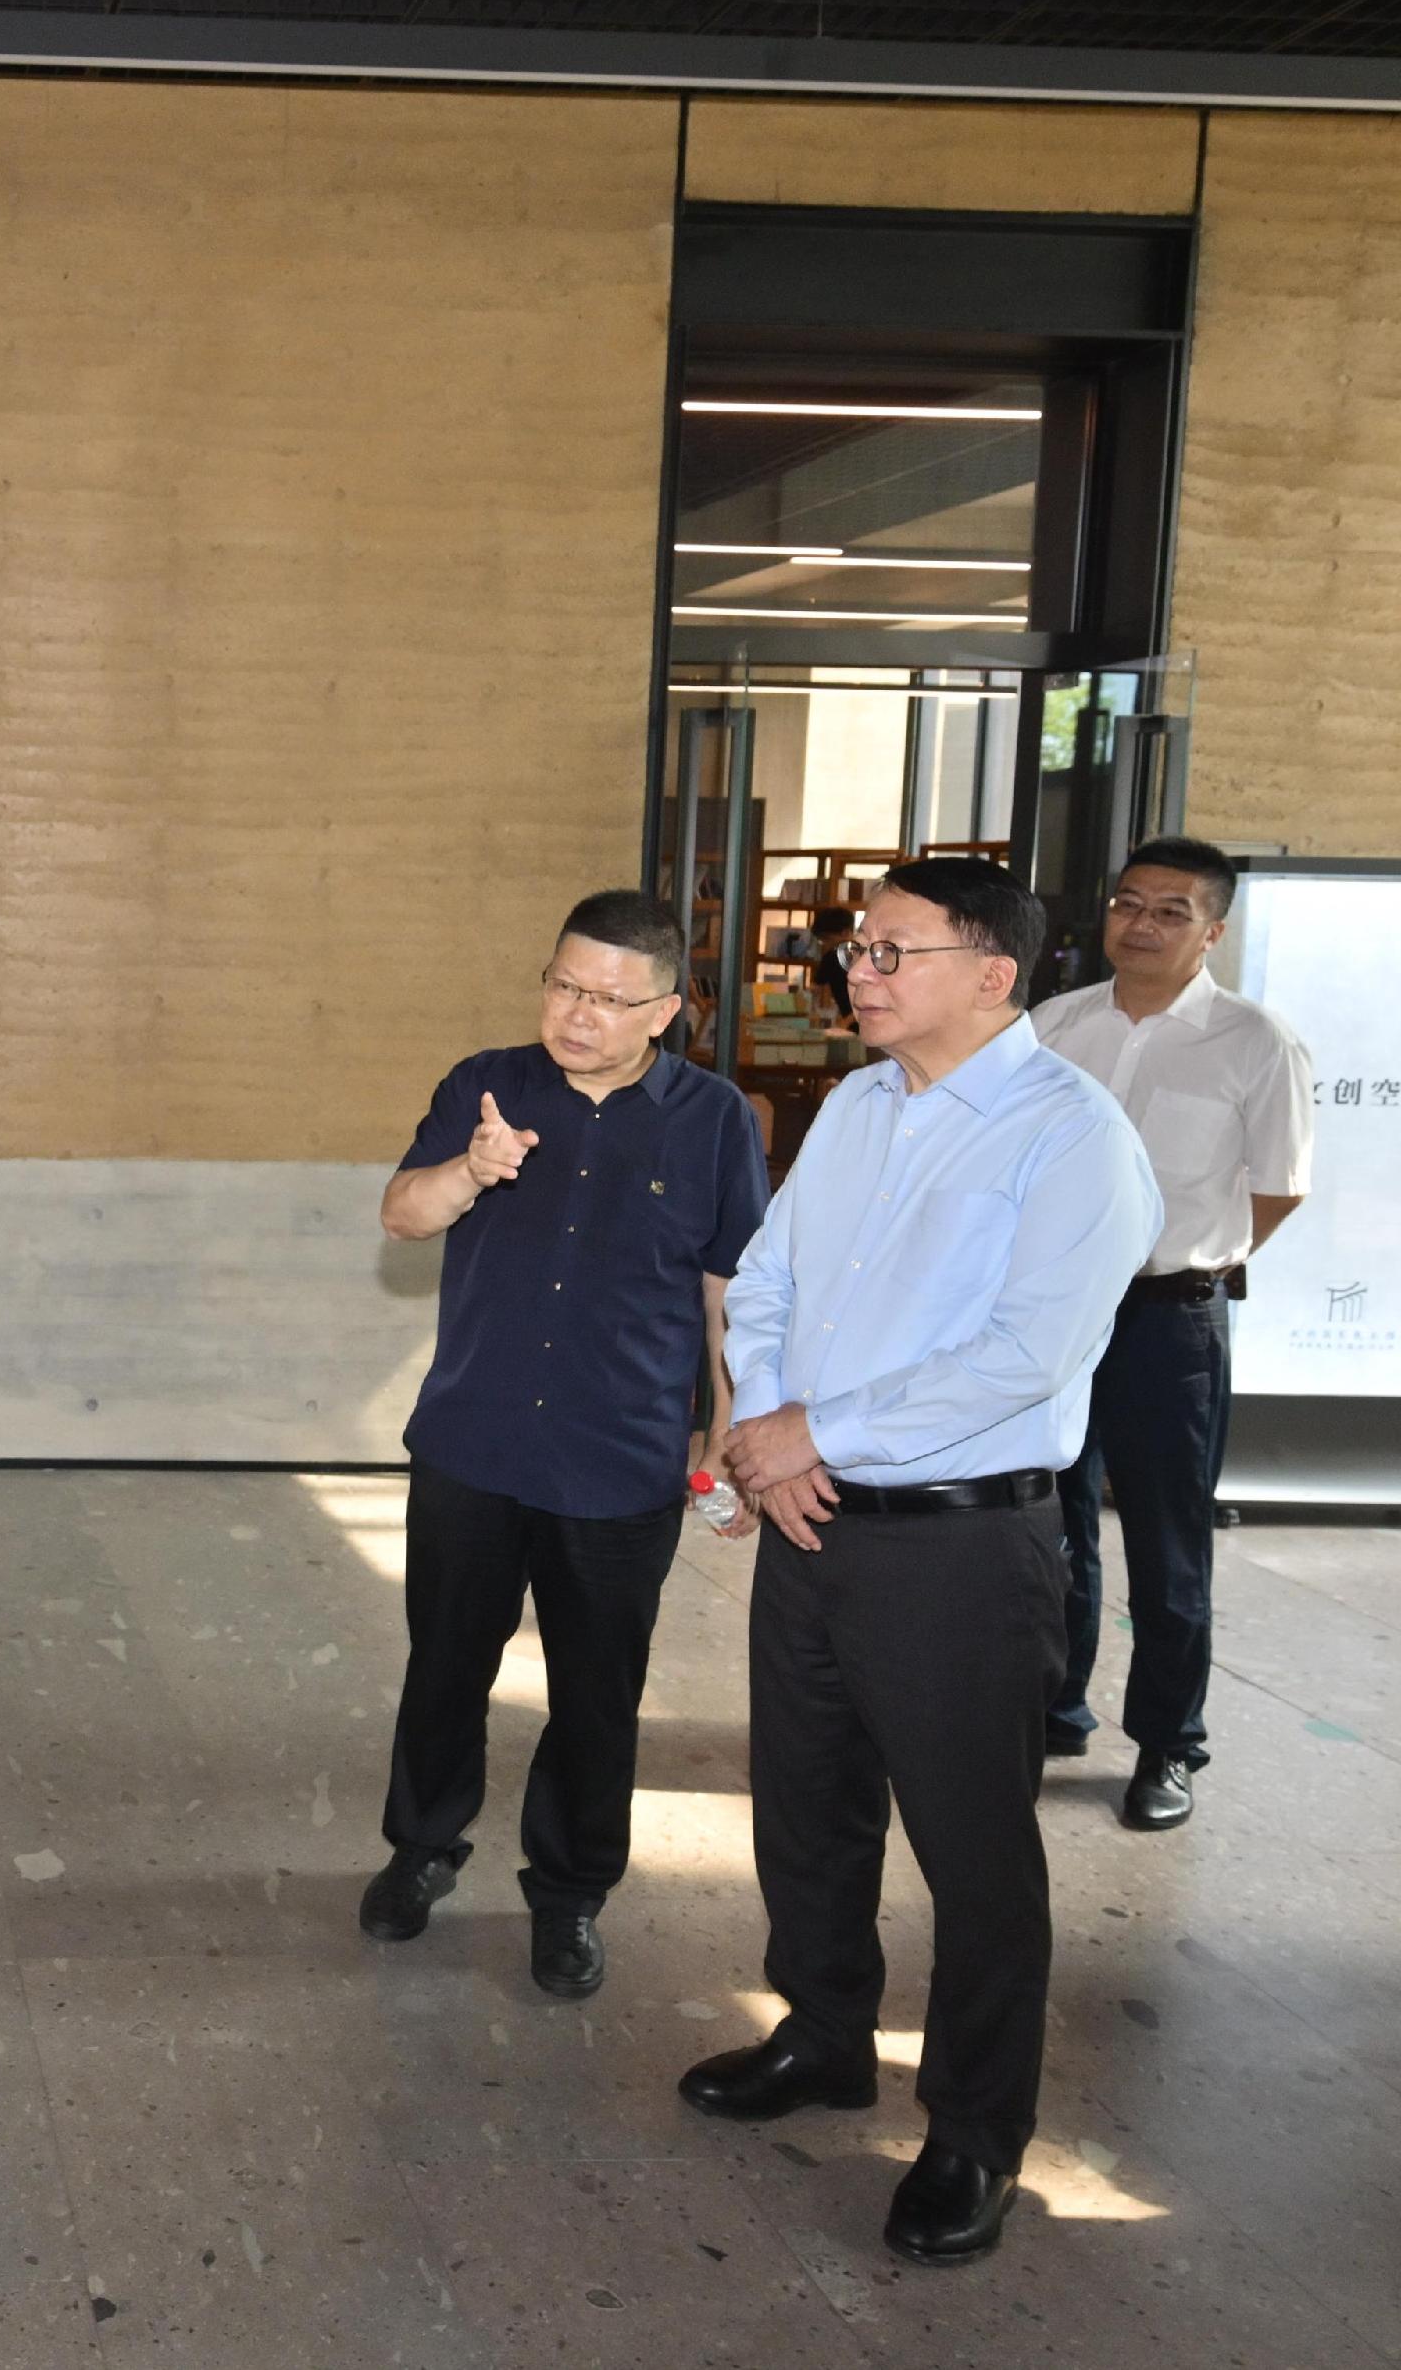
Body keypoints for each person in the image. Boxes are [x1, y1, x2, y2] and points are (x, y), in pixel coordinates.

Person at [685, 855, 1158, 2268]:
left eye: (894, 951)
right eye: (859, 950)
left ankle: (971, 2134)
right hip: (814, 1522)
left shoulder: (1071, 1138)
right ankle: (826, 2037)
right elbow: (766, 1281)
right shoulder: (855, 1108)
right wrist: (772, 1435)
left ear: (995, 973)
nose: (860, 973)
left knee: (976, 1854)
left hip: (961, 1544)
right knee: (807, 1807)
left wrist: (810, 1426)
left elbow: (1027, 1356)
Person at [363, 890, 768, 2000]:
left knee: (597, 1694)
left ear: (664, 1010)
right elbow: (402, 1211)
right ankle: (420, 1849)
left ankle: (569, 1893)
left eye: (605, 996)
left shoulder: (714, 1117)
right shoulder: (484, 1085)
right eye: (560, 983)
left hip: (621, 1454)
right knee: (445, 1664)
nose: (574, 1012)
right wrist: (471, 1170)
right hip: (474, 1442)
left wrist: (729, 1431)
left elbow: (727, 1288)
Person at [1030, 837, 1312, 1831]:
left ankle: (1164, 1742)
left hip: (1167, 1318)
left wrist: (1189, 1257)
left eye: (1170, 910)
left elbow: (1277, 1186)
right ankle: (1053, 1709)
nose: (1140, 924)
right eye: (1126, 903)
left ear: (1212, 929)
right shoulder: (1053, 1025)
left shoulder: (1253, 1041)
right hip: (1054, 1311)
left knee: (1164, 1538)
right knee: (1049, 1522)